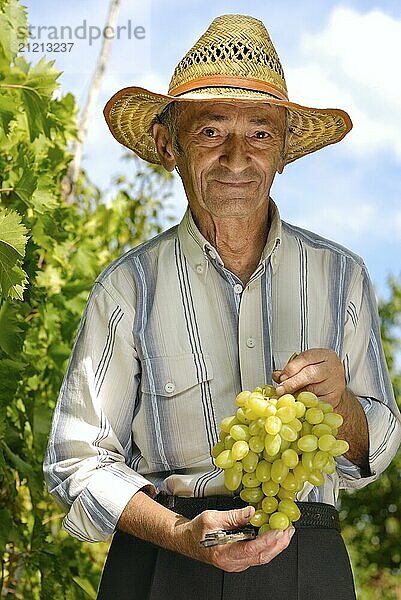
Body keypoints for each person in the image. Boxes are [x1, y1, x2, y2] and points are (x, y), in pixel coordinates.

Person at [44, 14, 401, 600]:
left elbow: (377, 449)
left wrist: (343, 409)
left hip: (306, 565)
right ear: (169, 146)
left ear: (284, 150)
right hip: (164, 561)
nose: (238, 156)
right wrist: (180, 532)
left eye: (260, 133)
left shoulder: (343, 277)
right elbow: (76, 459)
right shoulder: (126, 288)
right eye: (211, 131)